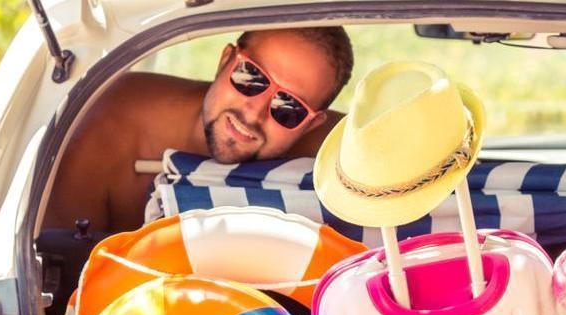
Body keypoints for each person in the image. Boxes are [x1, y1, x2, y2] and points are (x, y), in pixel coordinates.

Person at [46, 27, 353, 235]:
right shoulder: (110, 122)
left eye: (289, 108)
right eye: (251, 77)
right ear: (225, 60)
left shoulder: (347, 158)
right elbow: (56, 267)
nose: (254, 113)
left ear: (311, 124)